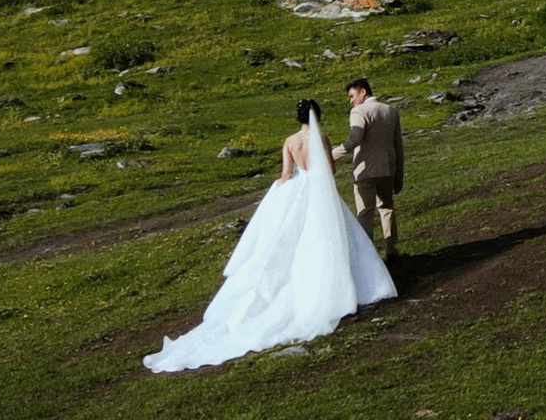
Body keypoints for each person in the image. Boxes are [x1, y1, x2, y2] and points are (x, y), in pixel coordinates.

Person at [142, 98, 396, 371]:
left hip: (297, 189)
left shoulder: (289, 141)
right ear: (316, 116)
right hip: (318, 191)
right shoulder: (321, 138)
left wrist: (277, 192)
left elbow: (286, 173)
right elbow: (329, 170)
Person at [333, 77, 403, 258]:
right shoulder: (390, 111)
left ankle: (368, 256)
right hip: (388, 167)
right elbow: (398, 145)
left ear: (363, 92)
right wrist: (399, 174)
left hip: (365, 169)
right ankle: (391, 248)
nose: (351, 101)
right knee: (387, 207)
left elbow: (355, 139)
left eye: (352, 96)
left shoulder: (359, 111)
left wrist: (332, 154)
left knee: (365, 212)